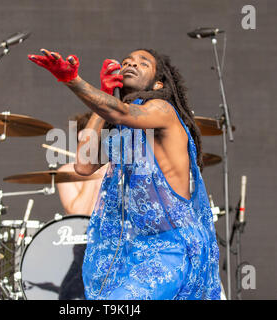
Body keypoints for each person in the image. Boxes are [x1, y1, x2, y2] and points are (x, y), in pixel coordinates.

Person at [28, 48, 221, 300]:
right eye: (127, 61)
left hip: (174, 246)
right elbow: (84, 165)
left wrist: (72, 80)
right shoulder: (125, 136)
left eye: (143, 63)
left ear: (159, 82)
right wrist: (106, 94)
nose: (131, 64)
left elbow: (121, 112)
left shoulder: (162, 109)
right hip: (138, 248)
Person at [56, 112, 108, 216]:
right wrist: (93, 172)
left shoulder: (115, 168)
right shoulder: (66, 172)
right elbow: (78, 215)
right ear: (81, 136)